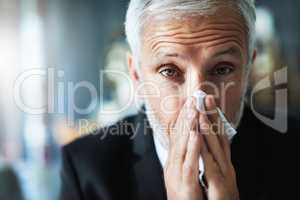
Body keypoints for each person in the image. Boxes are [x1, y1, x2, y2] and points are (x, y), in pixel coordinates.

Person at [59, 0, 298, 199]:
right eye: (169, 71)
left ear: (248, 70)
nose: (198, 99)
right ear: (137, 75)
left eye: (222, 69)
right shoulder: (86, 171)